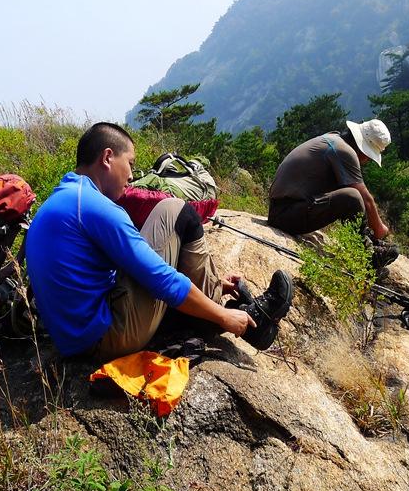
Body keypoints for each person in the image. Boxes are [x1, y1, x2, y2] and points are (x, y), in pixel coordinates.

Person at [26, 122, 293, 362]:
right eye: (129, 163)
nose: (131, 175)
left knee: (159, 256)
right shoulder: (95, 207)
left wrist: (213, 285)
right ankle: (244, 318)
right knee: (178, 211)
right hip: (106, 337)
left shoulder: (63, 200)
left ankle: (227, 303)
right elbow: (161, 279)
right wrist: (222, 316)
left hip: (77, 340)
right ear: (107, 157)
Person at [267, 119, 398, 268]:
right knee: (352, 197)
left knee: (348, 194)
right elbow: (365, 199)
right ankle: (366, 258)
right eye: (369, 155)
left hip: (284, 210)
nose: (367, 160)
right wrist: (380, 229)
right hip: (286, 214)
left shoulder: (332, 139)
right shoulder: (343, 151)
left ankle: (366, 242)